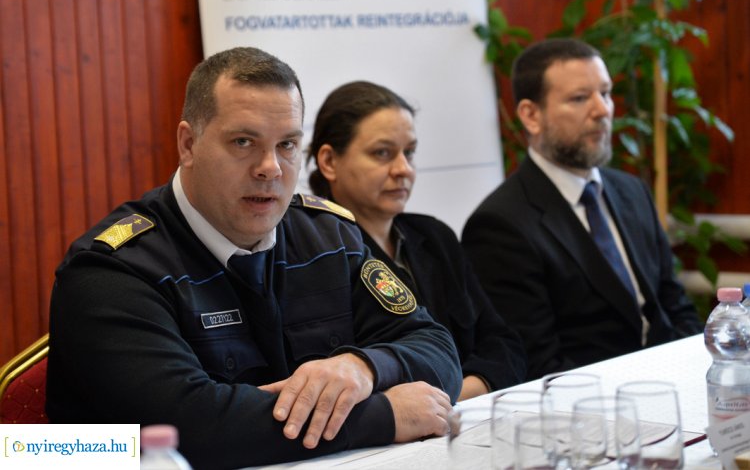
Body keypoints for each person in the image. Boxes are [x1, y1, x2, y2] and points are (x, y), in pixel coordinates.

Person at [46, 47, 462, 469]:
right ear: (188, 145)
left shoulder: (329, 236)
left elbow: (437, 348)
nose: (271, 168)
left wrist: (363, 368)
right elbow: (189, 426)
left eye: (287, 145)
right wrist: (384, 415)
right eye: (243, 142)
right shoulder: (115, 270)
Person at [461, 38, 703, 381]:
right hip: (589, 402)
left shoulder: (632, 191)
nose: (603, 110)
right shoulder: (500, 225)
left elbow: (676, 307)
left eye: (605, 93)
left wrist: (690, 372)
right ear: (531, 115)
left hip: (673, 381)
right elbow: (537, 365)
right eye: (579, 98)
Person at [306, 80, 526, 400]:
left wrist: (453, 398)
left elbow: (504, 345)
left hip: (470, 412)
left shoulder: (435, 237)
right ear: (329, 161)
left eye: (409, 153)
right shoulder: (314, 259)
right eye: (382, 153)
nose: (404, 169)